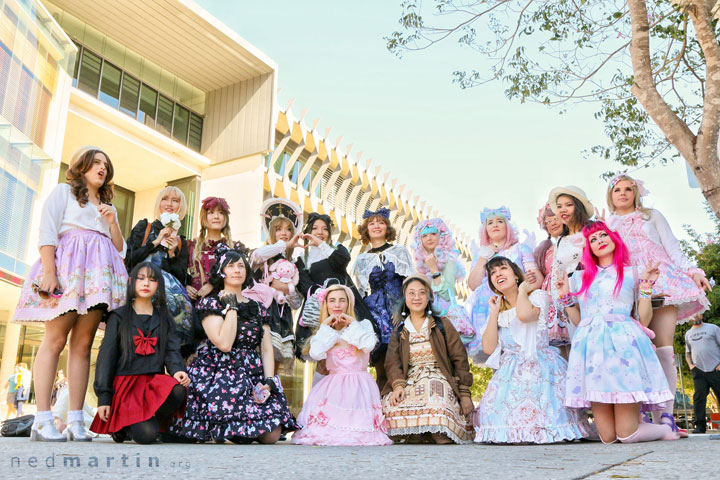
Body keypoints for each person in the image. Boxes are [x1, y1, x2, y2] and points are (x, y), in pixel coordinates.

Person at [12, 146, 128, 442]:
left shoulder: (106, 206)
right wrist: (49, 272)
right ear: (82, 166)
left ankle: (76, 419)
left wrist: (113, 221)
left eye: (106, 164)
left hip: (96, 279)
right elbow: (47, 232)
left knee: (84, 344)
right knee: (55, 339)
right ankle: (41, 419)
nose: (102, 168)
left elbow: (120, 250)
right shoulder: (63, 192)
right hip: (68, 271)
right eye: (96, 162)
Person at [607, 174, 712, 436]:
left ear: (636, 192)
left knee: (664, 348)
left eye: (628, 189)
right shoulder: (607, 223)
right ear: (610, 195)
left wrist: (693, 271)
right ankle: (640, 414)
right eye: (617, 189)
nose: (623, 193)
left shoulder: (652, 215)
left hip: (662, 279)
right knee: (638, 352)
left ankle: (666, 417)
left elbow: (673, 247)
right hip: (628, 284)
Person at [559, 221, 677, 443]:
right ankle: (640, 423)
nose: (599, 241)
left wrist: (647, 287)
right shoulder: (578, 278)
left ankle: (663, 429)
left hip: (623, 348)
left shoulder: (632, 272)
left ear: (614, 239)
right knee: (608, 438)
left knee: (627, 435)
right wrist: (566, 296)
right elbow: (579, 320)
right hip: (591, 350)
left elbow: (644, 317)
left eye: (603, 235)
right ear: (589, 249)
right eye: (593, 240)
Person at [171, 245, 298, 443]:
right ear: (221, 272)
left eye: (241, 265)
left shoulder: (256, 306)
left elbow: (265, 349)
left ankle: (240, 430)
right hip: (220, 374)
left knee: (272, 435)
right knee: (234, 430)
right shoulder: (210, 303)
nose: (237, 270)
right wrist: (231, 308)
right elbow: (224, 344)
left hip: (250, 373)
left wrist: (268, 380)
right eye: (231, 266)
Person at [474, 257, 588, 444]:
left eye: (503, 269)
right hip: (510, 372)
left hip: (541, 366)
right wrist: (494, 313)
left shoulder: (537, 297)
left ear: (516, 275)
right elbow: (488, 347)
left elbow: (525, 315)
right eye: (493, 273)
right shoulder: (497, 309)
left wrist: (522, 291)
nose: (498, 274)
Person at [90, 262, 189, 444]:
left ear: (158, 285)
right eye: (141, 278)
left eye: (152, 280)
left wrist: (177, 370)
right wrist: (104, 397)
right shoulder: (118, 316)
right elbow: (106, 358)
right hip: (127, 386)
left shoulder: (164, 318)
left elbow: (171, 349)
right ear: (131, 282)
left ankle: (140, 423)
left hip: (153, 384)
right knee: (146, 437)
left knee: (178, 390)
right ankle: (127, 426)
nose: (146, 284)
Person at [292, 284, 392, 446]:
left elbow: (368, 345)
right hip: (333, 386)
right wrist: (326, 327)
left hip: (360, 385)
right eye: (332, 301)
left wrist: (353, 324)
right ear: (326, 305)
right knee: (326, 432)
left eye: (341, 300)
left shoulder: (363, 325)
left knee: (357, 431)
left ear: (349, 303)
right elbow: (316, 353)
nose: (337, 305)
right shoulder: (324, 330)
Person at [382, 275, 474, 444]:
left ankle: (437, 433)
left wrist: (464, 393)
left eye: (421, 293)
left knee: (434, 393)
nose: (416, 297)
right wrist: (398, 385)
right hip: (410, 380)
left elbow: (460, 359)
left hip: (439, 377)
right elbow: (392, 362)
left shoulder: (442, 325)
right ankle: (419, 432)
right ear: (405, 298)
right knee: (390, 405)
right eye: (411, 293)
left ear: (429, 297)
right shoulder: (400, 330)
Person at [294, 212, 375, 364]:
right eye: (315, 228)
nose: (320, 232)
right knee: (323, 356)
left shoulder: (337, 250)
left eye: (324, 229)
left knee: (347, 349)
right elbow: (304, 284)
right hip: (320, 310)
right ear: (308, 231)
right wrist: (322, 294)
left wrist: (321, 244)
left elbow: (342, 261)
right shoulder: (302, 259)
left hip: (344, 305)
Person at [465, 206, 540, 362]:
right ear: (485, 229)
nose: (495, 225)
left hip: (516, 307)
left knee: (522, 351)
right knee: (496, 359)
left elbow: (536, 278)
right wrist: (483, 258)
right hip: (489, 311)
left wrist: (523, 292)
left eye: (500, 221)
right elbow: (473, 284)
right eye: (490, 222)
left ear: (508, 227)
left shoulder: (521, 249)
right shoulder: (481, 255)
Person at [126, 186, 194, 357]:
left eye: (175, 200)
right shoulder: (145, 227)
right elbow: (130, 259)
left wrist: (171, 253)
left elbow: (180, 277)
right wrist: (155, 242)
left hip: (167, 306)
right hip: (139, 298)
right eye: (165, 199)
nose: (169, 204)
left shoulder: (181, 242)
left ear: (181, 206)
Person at [353, 207, 414, 389]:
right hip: (376, 316)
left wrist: (401, 308)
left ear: (387, 228)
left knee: (405, 362)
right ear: (366, 230)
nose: (376, 226)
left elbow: (410, 283)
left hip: (400, 312)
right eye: (371, 223)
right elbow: (362, 292)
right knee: (381, 366)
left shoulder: (400, 251)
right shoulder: (361, 259)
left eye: (381, 222)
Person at [250, 198, 305, 372]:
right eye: (279, 229)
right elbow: (256, 256)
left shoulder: (294, 264)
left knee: (274, 369)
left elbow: (296, 303)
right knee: (256, 364)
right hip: (261, 314)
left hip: (282, 318)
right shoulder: (263, 255)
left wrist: (287, 289)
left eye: (289, 229)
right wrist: (284, 245)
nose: (284, 233)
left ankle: (271, 397)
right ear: (271, 231)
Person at [411, 218, 474, 344]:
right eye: (425, 235)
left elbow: (446, 294)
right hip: (425, 317)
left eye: (433, 234)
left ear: (442, 237)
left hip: (444, 318)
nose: (429, 238)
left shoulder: (450, 261)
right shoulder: (419, 265)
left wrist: (434, 269)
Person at [187, 196, 246, 304]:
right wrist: (185, 286)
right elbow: (180, 273)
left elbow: (242, 278)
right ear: (204, 217)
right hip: (193, 305)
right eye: (211, 212)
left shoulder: (234, 248)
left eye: (221, 213)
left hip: (225, 304)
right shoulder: (191, 246)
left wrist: (213, 284)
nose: (216, 216)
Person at [534, 203, 570, 351]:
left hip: (569, 288)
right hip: (550, 298)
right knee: (557, 349)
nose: (553, 223)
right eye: (548, 221)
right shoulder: (545, 250)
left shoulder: (574, 241)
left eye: (555, 218)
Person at [684, 315, 720, 433]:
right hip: (699, 371)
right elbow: (687, 353)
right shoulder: (688, 334)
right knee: (699, 398)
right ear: (689, 318)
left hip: (716, 369)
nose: (695, 316)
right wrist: (691, 366)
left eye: (697, 313)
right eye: (692, 315)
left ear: (702, 315)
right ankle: (700, 426)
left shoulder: (713, 328)